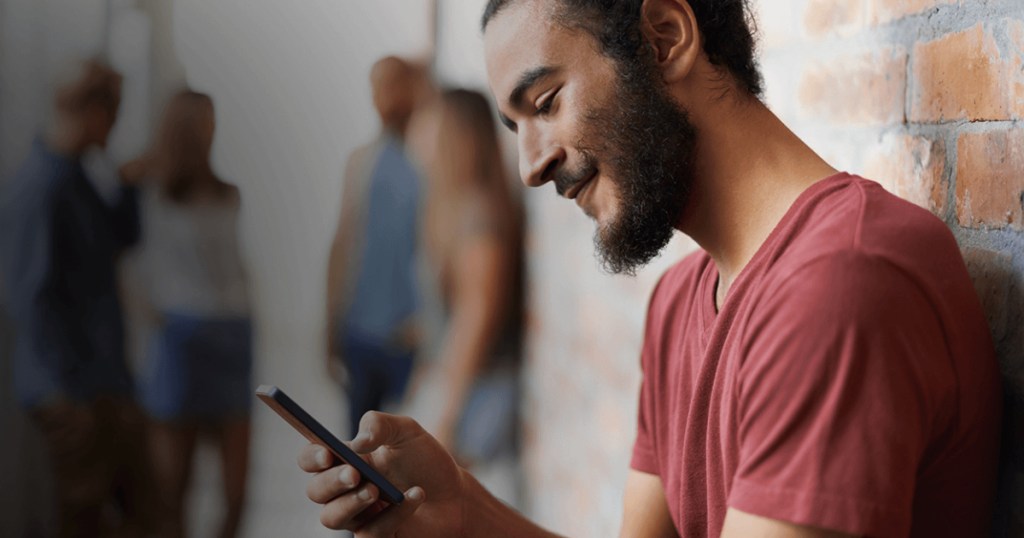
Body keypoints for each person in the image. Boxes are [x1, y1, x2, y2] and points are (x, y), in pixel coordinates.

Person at [295, 1, 1002, 536]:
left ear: (664, 38)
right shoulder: (678, 302)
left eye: (545, 104)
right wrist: (460, 506)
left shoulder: (842, 283)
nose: (530, 166)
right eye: (515, 127)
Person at [0, 59, 156, 537]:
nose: (116, 125)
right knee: (84, 515)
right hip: (73, 390)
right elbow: (28, 299)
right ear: (91, 110)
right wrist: (68, 394)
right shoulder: (42, 188)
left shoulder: (80, 178)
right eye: (113, 113)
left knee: (139, 509)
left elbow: (118, 242)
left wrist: (129, 187)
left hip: (102, 382)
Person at [125, 90, 252, 538]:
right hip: (179, 337)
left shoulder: (228, 193)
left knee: (236, 492)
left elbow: (236, 268)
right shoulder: (147, 189)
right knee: (172, 487)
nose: (207, 132)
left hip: (232, 334)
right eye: (198, 122)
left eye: (211, 121)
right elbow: (126, 264)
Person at [402, 88, 525, 502]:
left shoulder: (478, 214)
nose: (416, 133)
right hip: (468, 385)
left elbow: (477, 314)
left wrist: (446, 412)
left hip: (480, 391)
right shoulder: (452, 207)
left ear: (455, 134)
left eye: (427, 121)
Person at [325, 56, 427, 438]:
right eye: (375, 87)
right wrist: (330, 324)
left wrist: (428, 325)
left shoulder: (427, 160)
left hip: (409, 337)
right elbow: (342, 244)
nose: (380, 96)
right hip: (361, 332)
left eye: (389, 85)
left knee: (409, 454)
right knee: (358, 448)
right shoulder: (361, 162)